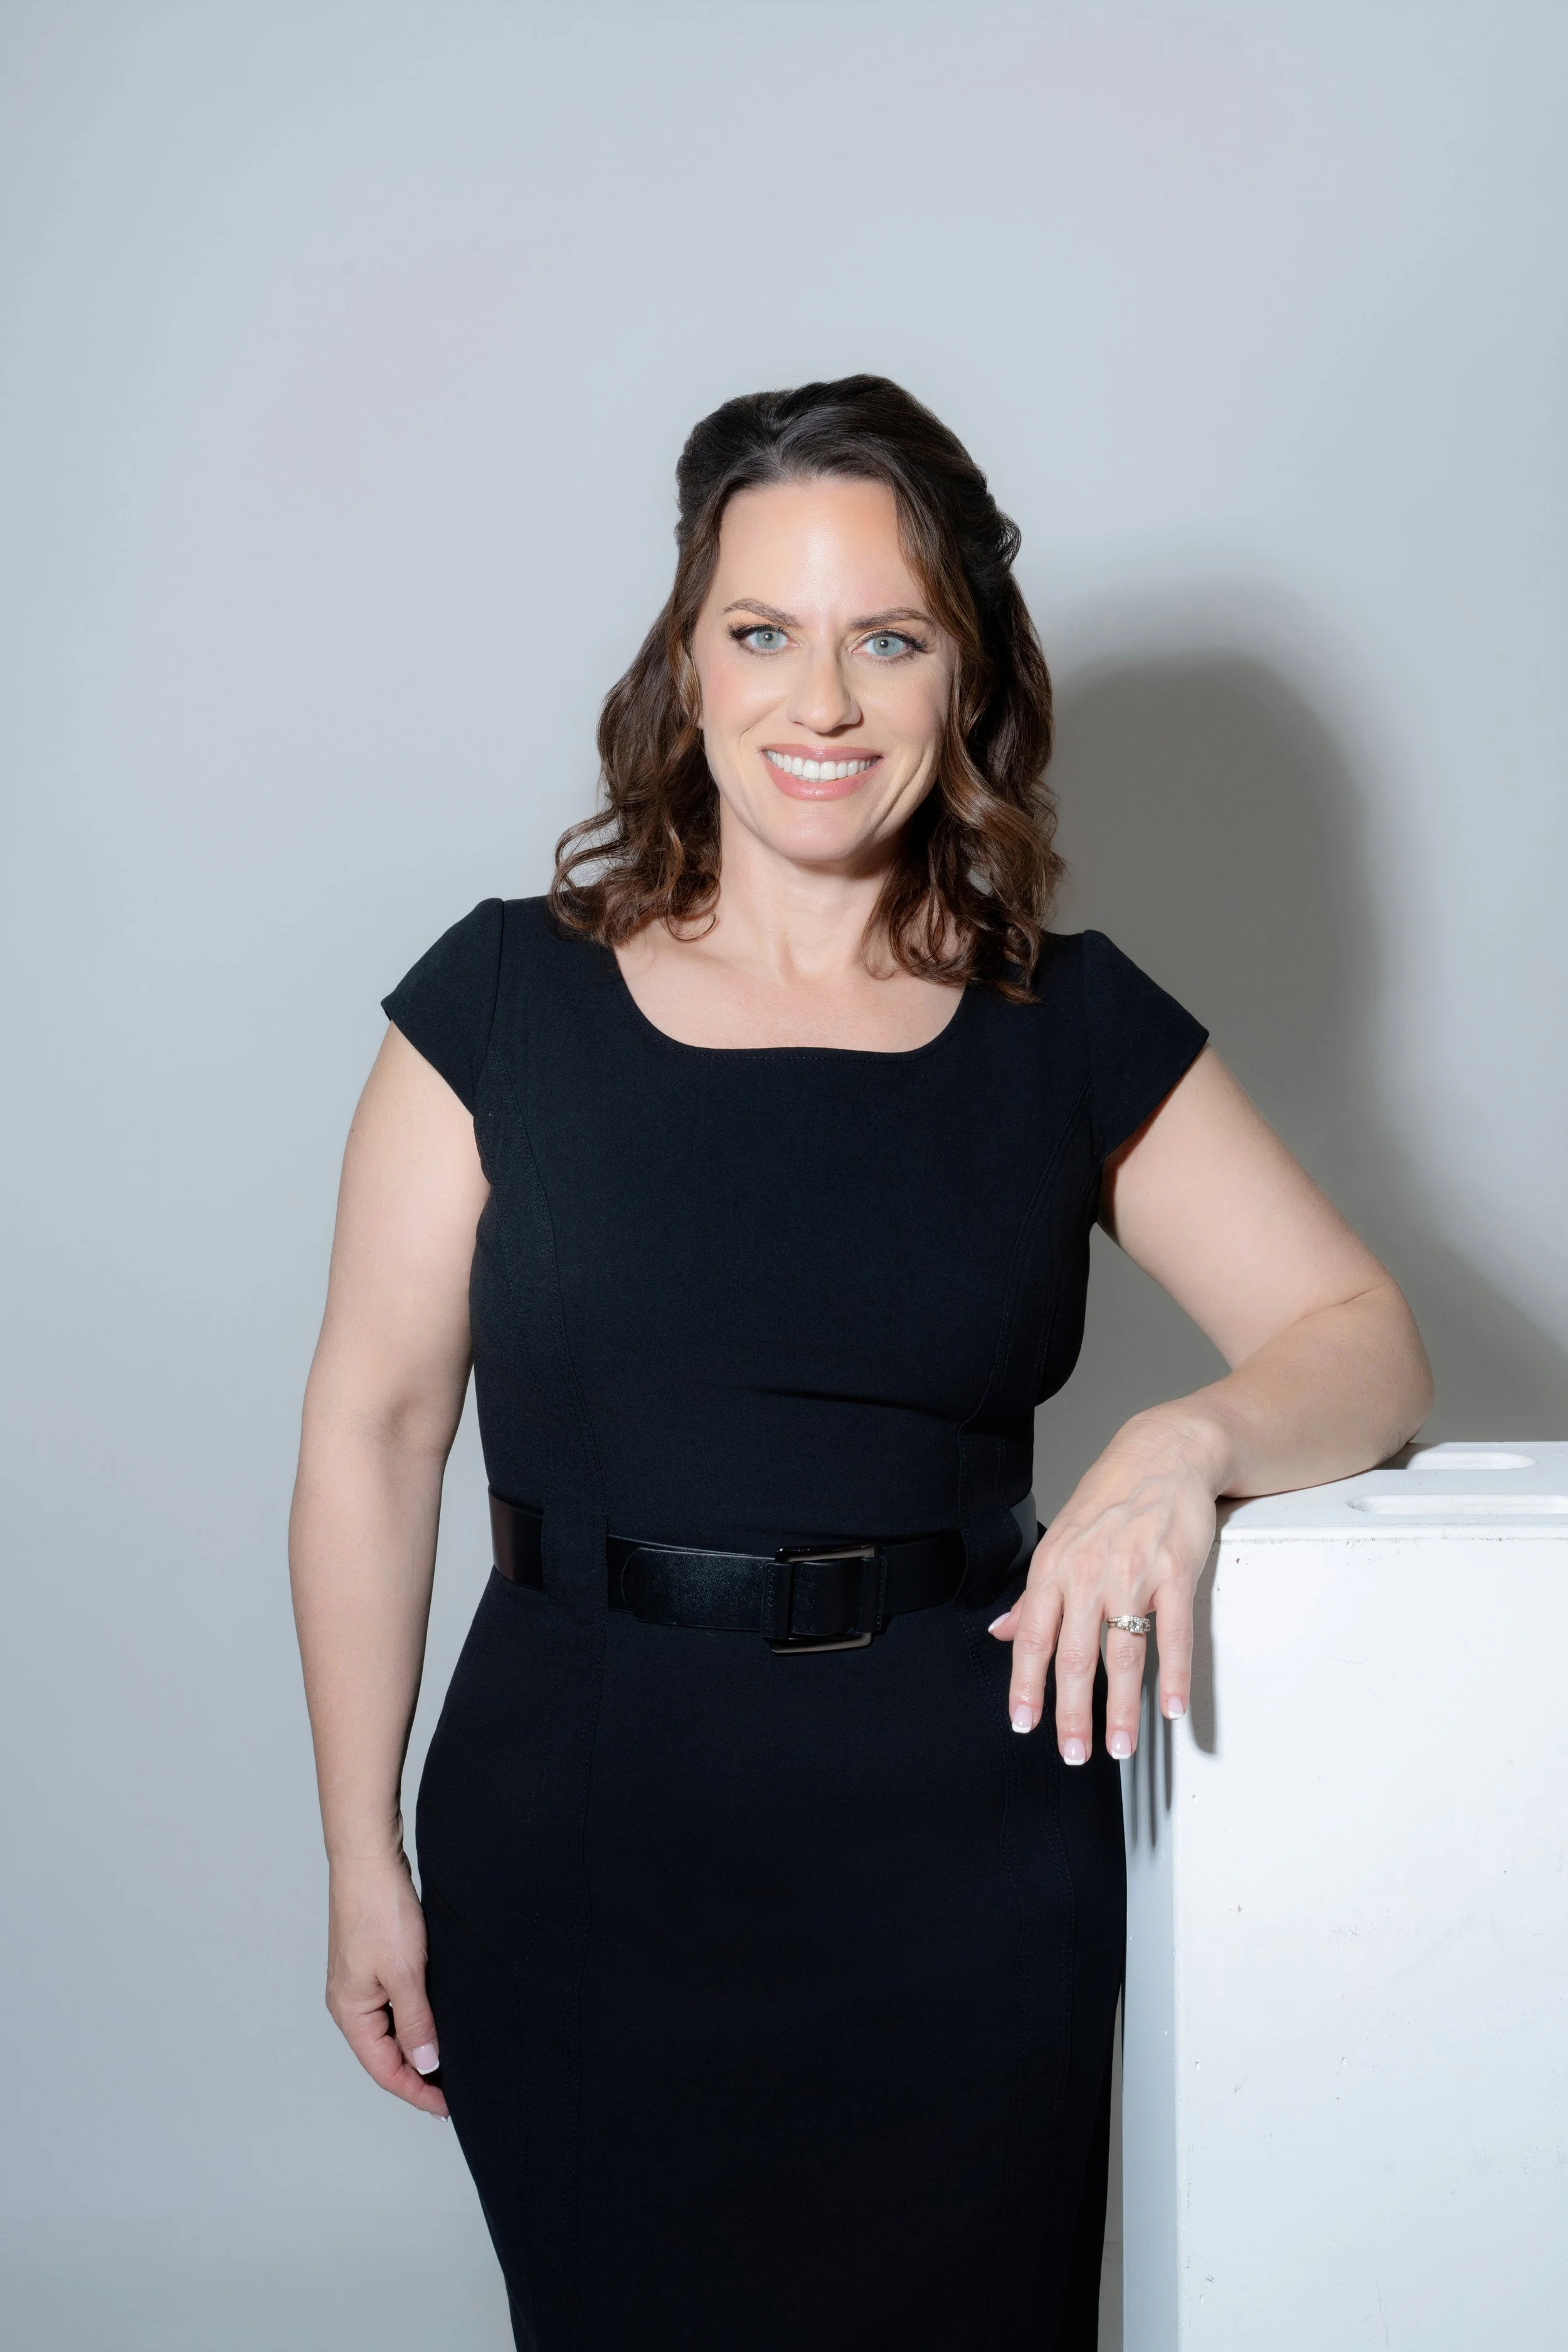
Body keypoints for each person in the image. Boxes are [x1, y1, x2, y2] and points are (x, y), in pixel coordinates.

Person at [289, 375, 1431, 2351]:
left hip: (964, 1863)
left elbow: (1364, 1342)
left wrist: (1183, 1440)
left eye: (884, 638)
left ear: (960, 671)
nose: (818, 703)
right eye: (763, 633)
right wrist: (355, 1853)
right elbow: (375, 1436)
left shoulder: (1061, 1024)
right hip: (576, 1844)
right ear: (688, 662)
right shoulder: (498, 1001)